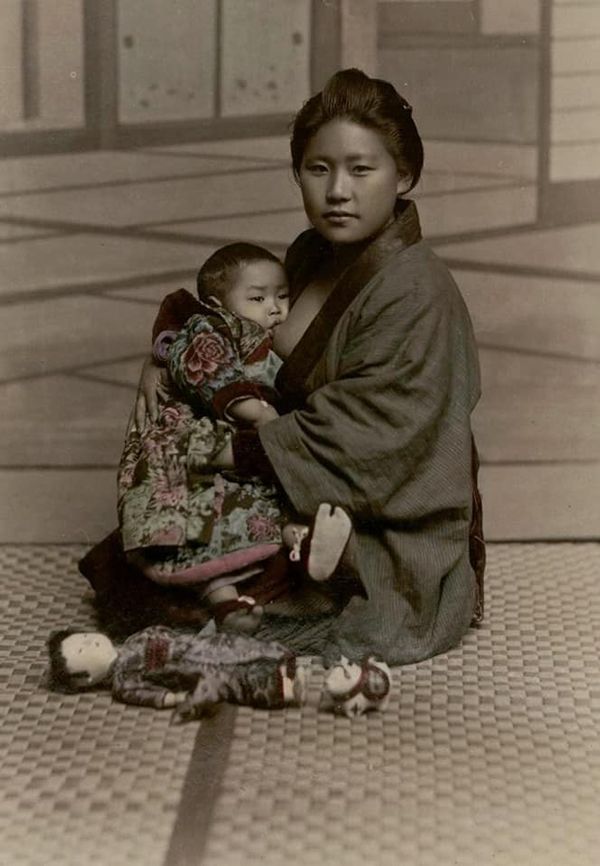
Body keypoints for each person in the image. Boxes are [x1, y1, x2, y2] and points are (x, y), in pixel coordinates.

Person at [83, 68, 485, 665]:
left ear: (405, 176)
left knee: (217, 591)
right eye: (318, 169)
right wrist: (162, 361)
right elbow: (228, 330)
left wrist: (233, 454)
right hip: (293, 472)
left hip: (379, 509)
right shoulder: (307, 253)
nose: (338, 191)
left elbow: (380, 433)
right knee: (152, 554)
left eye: (361, 169)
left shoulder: (416, 289)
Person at [118, 242, 352, 633]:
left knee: (255, 505)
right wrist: (254, 410)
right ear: (219, 303)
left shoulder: (262, 338)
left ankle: (287, 554)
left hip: (231, 448)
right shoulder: (210, 327)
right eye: (258, 298)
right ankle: (235, 596)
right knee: (203, 522)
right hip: (189, 452)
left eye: (282, 296)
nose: (275, 308)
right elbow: (208, 368)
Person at [47, 626, 307, 719]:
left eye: (83, 636)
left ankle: (281, 659)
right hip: (188, 672)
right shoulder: (123, 683)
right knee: (231, 679)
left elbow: (163, 632)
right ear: (87, 679)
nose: (88, 642)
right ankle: (283, 687)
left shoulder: (133, 640)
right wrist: (176, 699)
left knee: (236, 647)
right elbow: (152, 696)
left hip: (196, 645)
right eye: (81, 651)